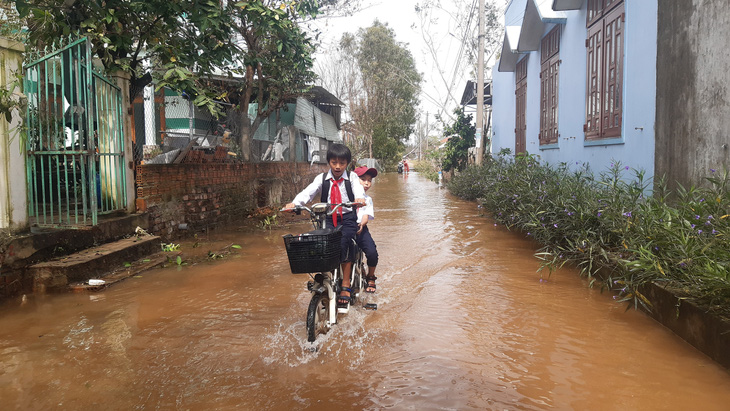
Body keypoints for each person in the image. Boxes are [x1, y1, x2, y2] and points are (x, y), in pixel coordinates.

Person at [284, 143, 366, 311]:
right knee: (320, 243)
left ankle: (345, 284)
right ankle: (326, 277)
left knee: (344, 242)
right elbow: (308, 192)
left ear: (347, 164)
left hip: (348, 218)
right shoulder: (322, 179)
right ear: (328, 162)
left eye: (342, 163)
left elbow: (359, 192)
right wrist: (294, 203)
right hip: (328, 218)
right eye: (334, 162)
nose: (337, 166)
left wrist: (359, 199)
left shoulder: (352, 179)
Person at [354, 166, 379, 293]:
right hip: (345, 228)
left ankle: (371, 276)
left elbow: (365, 216)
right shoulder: (346, 195)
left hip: (360, 228)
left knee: (372, 253)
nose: (366, 183)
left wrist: (361, 225)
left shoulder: (368, 199)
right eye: (363, 179)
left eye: (369, 180)